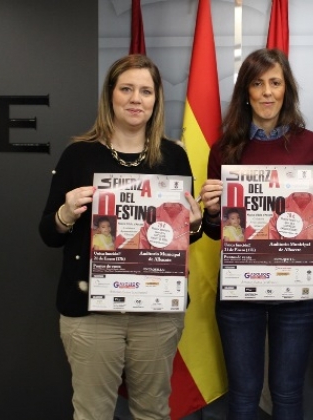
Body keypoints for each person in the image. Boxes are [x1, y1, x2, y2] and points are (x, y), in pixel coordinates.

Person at [38, 54, 203, 420]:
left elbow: (182, 238)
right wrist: (65, 214)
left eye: (145, 91)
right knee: (92, 413)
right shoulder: (78, 155)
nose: (135, 99)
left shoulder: (173, 157)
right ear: (110, 94)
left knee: (153, 412)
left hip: (156, 312)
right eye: (126, 89)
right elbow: (49, 233)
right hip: (91, 313)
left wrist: (193, 224)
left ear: (156, 99)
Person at [198, 48, 313, 419]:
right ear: (245, 92)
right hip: (239, 287)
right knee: (243, 395)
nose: (266, 92)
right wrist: (212, 212)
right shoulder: (224, 149)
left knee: (288, 394)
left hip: (296, 289)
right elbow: (215, 233)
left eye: (275, 83)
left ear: (286, 89)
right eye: (257, 83)